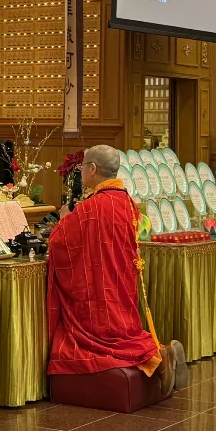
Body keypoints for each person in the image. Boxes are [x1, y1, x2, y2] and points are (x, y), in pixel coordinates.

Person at [47, 144, 187, 389]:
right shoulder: (126, 202)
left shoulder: (91, 207)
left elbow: (61, 243)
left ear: (92, 168)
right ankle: (160, 353)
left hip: (100, 290)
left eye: (82, 167)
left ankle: (157, 356)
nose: (81, 171)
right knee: (126, 330)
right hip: (121, 285)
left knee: (106, 340)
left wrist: (64, 220)